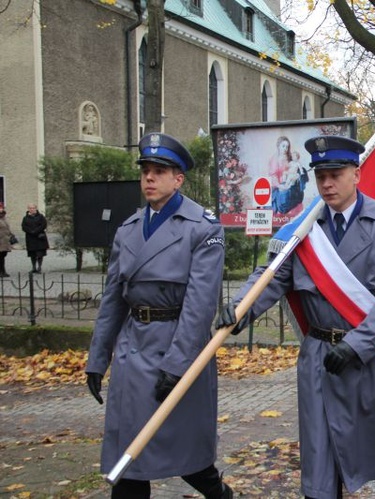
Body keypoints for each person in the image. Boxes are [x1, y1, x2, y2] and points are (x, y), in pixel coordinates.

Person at [216, 135, 375, 499]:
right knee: (321, 467)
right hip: (320, 362)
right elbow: (273, 275)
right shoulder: (302, 230)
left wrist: (357, 346)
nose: (326, 183)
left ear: (356, 174)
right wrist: (239, 308)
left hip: (369, 360)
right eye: (320, 175)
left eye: (336, 174)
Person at [85, 133, 231, 499]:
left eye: (159, 171)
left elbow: (200, 306)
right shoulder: (129, 229)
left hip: (177, 350)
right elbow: (113, 301)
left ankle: (222, 495)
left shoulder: (203, 227)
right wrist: (97, 359)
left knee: (188, 456)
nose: (149, 178)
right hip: (133, 353)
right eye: (145, 171)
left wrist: (177, 365)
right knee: (129, 464)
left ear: (178, 179)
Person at [21, 203, 49, 273]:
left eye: (33, 208)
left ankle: (39, 267)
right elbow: (24, 227)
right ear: (28, 209)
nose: (32, 209)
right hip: (30, 238)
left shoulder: (41, 217)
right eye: (30, 208)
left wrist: (36, 231)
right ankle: (33, 267)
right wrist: (31, 231)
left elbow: (43, 225)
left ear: (36, 208)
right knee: (32, 254)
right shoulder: (25, 218)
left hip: (39, 237)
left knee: (40, 253)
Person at [0, 204, 13, 277]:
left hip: (5, 241)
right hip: (0, 241)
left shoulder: (4, 218)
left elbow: (7, 228)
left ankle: (3, 271)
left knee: (3, 256)